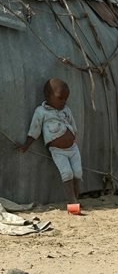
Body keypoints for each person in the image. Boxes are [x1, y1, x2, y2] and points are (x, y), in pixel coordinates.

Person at [16, 78, 82, 206]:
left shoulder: (66, 110)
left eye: (65, 99)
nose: (63, 101)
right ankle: (72, 200)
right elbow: (35, 130)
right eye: (60, 98)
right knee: (67, 173)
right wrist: (26, 145)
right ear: (47, 96)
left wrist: (72, 137)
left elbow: (73, 125)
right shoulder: (41, 112)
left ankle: (77, 199)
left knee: (78, 173)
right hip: (58, 151)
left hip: (73, 148)